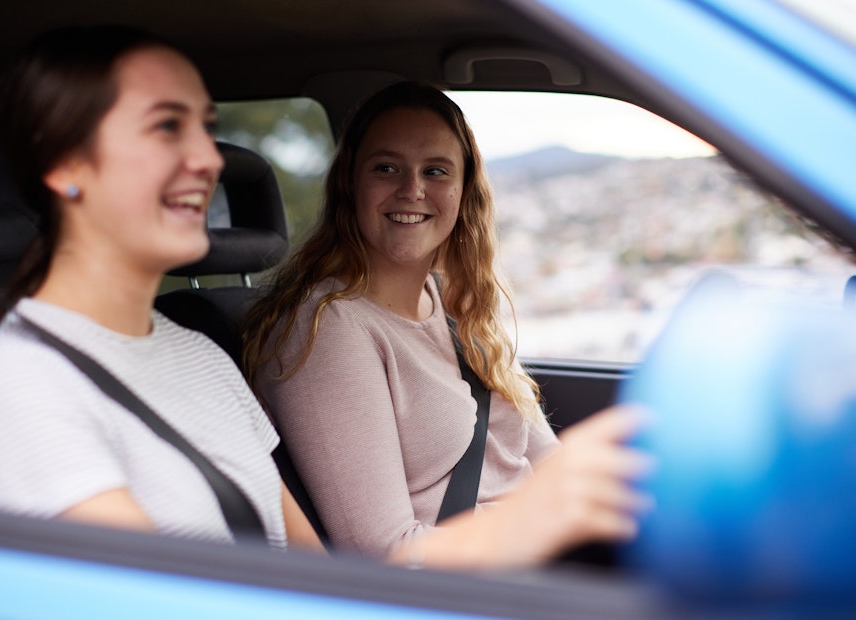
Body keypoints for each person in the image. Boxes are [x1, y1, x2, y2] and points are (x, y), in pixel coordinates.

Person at [243, 82, 651, 570]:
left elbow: (550, 463)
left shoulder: (453, 303)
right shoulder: (329, 326)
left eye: (435, 171)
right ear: (351, 184)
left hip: (545, 562)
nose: (412, 189)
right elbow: (387, 556)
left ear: (463, 192)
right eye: (386, 168)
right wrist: (539, 522)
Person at [0, 25, 322, 551]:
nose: (209, 159)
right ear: (65, 164)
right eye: (167, 126)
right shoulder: (23, 386)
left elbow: (309, 565)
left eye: (205, 129)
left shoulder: (202, 356)